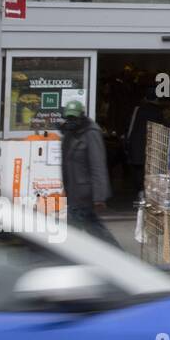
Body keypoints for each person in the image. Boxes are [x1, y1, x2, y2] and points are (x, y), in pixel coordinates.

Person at [60, 101, 119, 248]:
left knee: (85, 228)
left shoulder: (91, 133)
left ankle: (116, 256)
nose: (71, 121)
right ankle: (115, 255)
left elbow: (97, 165)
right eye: (69, 118)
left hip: (84, 192)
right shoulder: (69, 133)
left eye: (74, 118)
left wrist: (99, 196)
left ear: (81, 116)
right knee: (92, 228)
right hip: (74, 190)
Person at [123, 94, 167, 201]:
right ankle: (150, 192)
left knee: (139, 169)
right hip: (152, 143)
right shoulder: (158, 112)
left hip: (136, 143)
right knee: (152, 168)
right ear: (156, 100)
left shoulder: (137, 110)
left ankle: (141, 191)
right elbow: (162, 128)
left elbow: (128, 126)